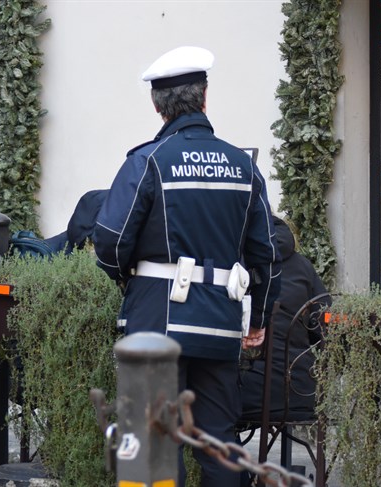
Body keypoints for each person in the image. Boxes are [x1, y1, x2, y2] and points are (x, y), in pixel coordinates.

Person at [92, 46, 281, 486]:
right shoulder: (243, 166)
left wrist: (129, 281)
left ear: (157, 106)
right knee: (217, 442)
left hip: (157, 321)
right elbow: (265, 254)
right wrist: (261, 316)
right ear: (204, 98)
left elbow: (109, 242)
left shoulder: (148, 160)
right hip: (219, 323)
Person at [241, 216, 331, 419]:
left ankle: (226, 448)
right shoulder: (304, 265)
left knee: (206, 400)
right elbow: (324, 327)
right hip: (302, 389)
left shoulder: (237, 262)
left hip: (250, 390)